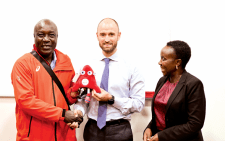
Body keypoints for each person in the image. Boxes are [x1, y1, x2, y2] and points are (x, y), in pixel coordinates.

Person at [72, 18, 145, 141]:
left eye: (111, 34)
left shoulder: (132, 66)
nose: (106, 39)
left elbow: (139, 104)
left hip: (120, 130)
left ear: (119, 35)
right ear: (97, 36)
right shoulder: (87, 65)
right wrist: (78, 112)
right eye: (102, 34)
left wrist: (111, 99)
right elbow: (84, 98)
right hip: (92, 130)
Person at [11, 19, 82, 141]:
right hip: (34, 136)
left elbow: (65, 98)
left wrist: (73, 94)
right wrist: (63, 114)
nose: (46, 39)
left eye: (51, 35)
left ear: (57, 37)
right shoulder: (23, 64)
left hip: (63, 135)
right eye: (41, 35)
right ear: (34, 37)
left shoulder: (65, 61)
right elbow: (26, 101)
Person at [143, 40, 206, 141]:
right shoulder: (162, 81)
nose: (159, 62)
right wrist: (149, 128)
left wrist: (162, 136)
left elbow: (195, 124)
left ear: (178, 62)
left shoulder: (193, 84)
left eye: (164, 59)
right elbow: (162, 113)